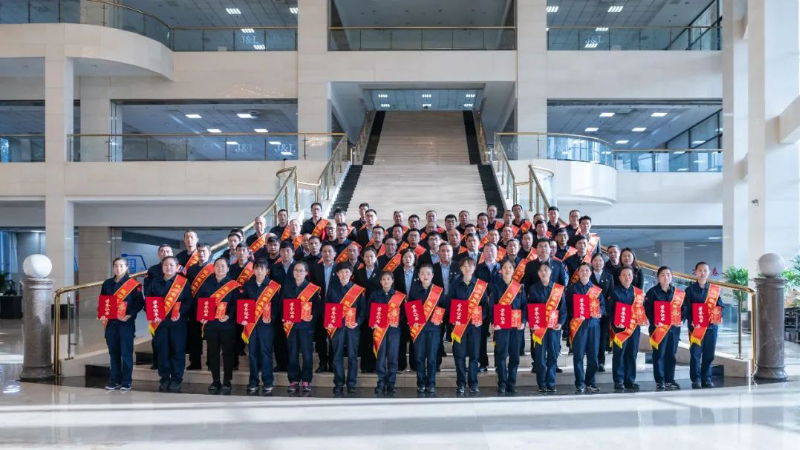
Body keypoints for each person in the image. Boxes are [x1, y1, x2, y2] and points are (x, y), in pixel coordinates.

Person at [145, 256, 192, 393]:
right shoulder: (154, 282)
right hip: (160, 324)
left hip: (178, 324)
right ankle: (164, 378)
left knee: (177, 351)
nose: (168, 267)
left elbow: (188, 301)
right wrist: (151, 314)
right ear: (162, 267)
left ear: (177, 267)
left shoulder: (183, 283)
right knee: (163, 352)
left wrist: (180, 312)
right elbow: (148, 300)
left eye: (171, 265)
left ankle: (176, 379)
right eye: (166, 265)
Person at [195, 257, 240, 395]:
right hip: (211, 325)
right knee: (213, 352)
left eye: (223, 266)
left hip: (227, 325)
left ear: (228, 268)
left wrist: (229, 316)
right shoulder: (206, 284)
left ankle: (227, 380)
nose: (220, 268)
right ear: (213, 268)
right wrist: (202, 316)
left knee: (227, 353)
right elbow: (200, 302)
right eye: (217, 266)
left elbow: (236, 304)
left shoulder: (233, 285)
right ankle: (215, 380)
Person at [99, 258, 144, 391]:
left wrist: (129, 315)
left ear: (126, 267)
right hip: (110, 323)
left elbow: (139, 303)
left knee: (126, 353)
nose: (118, 269)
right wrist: (101, 313)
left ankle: (126, 382)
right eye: (116, 266)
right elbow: (103, 300)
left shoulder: (134, 284)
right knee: (113, 353)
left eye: (121, 266)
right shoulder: (107, 283)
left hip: (126, 323)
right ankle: (114, 380)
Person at [446, 257, 488, 395]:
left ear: (474, 268)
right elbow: (449, 303)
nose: (467, 268)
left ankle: (473, 383)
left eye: (470, 266)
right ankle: (461, 384)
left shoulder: (480, 285)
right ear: (460, 268)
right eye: (464, 266)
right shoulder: (455, 284)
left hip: (475, 326)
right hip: (459, 326)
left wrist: (481, 318)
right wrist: (453, 319)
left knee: (474, 356)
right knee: (460, 356)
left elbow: (485, 306)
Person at [240, 259, 282, 396]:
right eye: (256, 268)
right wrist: (243, 318)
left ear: (267, 271)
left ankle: (268, 381)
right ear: (253, 270)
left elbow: (276, 306)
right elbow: (243, 303)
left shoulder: (273, 286)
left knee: (265, 353)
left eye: (262, 268)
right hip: (251, 325)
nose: (259, 271)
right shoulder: (248, 285)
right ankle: (253, 381)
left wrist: (271, 317)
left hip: (266, 326)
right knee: (252, 353)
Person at [325, 262, 367, 394]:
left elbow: (363, 310)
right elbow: (326, 308)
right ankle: (338, 382)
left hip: (352, 329)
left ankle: (351, 383)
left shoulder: (358, 290)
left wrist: (357, 322)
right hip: (336, 328)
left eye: (347, 272)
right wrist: (329, 322)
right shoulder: (332, 290)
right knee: (337, 356)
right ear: (337, 274)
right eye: (341, 272)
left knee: (352, 356)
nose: (344, 274)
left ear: (351, 274)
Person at [282, 261, 322, 394]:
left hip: (306, 326)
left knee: (307, 354)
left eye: (301, 270)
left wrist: (312, 315)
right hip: (291, 326)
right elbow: (281, 305)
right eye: (296, 270)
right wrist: (283, 316)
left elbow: (318, 306)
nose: (298, 273)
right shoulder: (287, 287)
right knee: (292, 353)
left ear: (306, 273)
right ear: (293, 272)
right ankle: (293, 380)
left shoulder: (312, 289)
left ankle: (306, 380)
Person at [407, 264, 447, 394]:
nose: (425, 276)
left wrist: (440, 318)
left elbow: (444, 308)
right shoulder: (414, 290)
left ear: (432, 275)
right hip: (419, 330)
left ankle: (431, 383)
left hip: (433, 329)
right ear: (418, 275)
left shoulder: (438, 291)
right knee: (419, 357)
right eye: (422, 273)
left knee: (432, 358)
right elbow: (410, 307)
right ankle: (421, 383)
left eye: (428, 273)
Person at [566, 263, 604, 393]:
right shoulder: (572, 289)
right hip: (578, 326)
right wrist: (575, 314)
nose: (584, 272)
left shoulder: (596, 290)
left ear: (591, 272)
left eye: (587, 270)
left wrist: (599, 312)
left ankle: (590, 382)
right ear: (578, 272)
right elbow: (568, 306)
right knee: (578, 356)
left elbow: (602, 306)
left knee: (593, 356)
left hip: (593, 325)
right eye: (581, 270)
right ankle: (580, 383)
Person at [645, 266, 685, 391]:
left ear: (672, 277)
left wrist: (682, 320)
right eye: (662, 275)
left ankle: (670, 380)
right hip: (658, 329)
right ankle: (660, 381)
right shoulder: (652, 292)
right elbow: (647, 309)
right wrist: (654, 321)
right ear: (658, 277)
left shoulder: (677, 293)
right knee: (659, 354)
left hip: (673, 329)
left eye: (668, 274)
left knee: (671, 354)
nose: (665, 277)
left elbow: (684, 308)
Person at [608, 265, 647, 392]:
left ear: (633, 277)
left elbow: (641, 310)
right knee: (619, 354)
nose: (626, 277)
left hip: (634, 329)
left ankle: (630, 380)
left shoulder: (638, 293)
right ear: (619, 277)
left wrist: (643, 319)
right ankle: (618, 380)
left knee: (632, 354)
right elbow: (610, 310)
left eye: (629, 275)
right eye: (624, 275)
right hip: (619, 329)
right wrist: (615, 322)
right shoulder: (614, 292)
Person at [527, 263, 566, 393]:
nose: (543, 272)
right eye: (541, 270)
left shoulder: (558, 289)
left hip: (554, 328)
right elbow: (530, 308)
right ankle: (542, 383)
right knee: (540, 356)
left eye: (546, 270)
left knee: (553, 355)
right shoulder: (533, 289)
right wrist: (532, 324)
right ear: (538, 274)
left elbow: (563, 309)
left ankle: (551, 382)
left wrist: (561, 323)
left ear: (550, 272)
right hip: (539, 328)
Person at [686, 261, 723, 389]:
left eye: (705, 271)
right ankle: (695, 379)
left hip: (711, 327)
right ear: (695, 272)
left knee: (709, 354)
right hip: (696, 327)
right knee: (695, 354)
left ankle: (706, 378)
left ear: (709, 273)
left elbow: (720, 305)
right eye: (700, 270)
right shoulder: (690, 290)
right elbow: (686, 308)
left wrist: (719, 316)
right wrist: (691, 319)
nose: (702, 273)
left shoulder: (714, 290)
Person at [491, 258, 526, 394]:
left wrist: (523, 321)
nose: (507, 270)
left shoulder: (519, 287)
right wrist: (494, 322)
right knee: (501, 355)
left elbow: (524, 306)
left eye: (510, 267)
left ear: (514, 270)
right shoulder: (495, 286)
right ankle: (502, 382)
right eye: (505, 267)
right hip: (501, 327)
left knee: (515, 356)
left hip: (516, 327)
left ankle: (511, 383)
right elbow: (492, 306)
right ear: (501, 270)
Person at [370, 271, 404, 394]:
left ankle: (391, 383)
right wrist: (373, 322)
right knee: (380, 357)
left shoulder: (399, 296)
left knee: (393, 357)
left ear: (392, 281)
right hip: (379, 330)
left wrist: (397, 321)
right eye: (383, 279)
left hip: (394, 331)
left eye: (388, 279)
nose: (386, 281)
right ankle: (380, 382)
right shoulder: (374, 295)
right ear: (380, 281)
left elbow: (403, 314)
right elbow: (370, 310)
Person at [144, 244, 173, 370]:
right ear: (158, 254)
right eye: (162, 251)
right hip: (155, 309)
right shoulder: (152, 270)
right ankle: (156, 361)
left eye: (168, 251)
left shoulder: (178, 268)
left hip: (173, 310)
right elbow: (147, 290)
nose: (165, 253)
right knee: (156, 337)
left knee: (172, 339)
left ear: (172, 253)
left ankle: (171, 362)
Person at [310, 244, 337, 373]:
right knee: (320, 337)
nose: (327, 254)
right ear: (321, 254)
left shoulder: (340, 268)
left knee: (333, 337)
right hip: (319, 306)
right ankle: (322, 363)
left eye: (329, 251)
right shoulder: (316, 268)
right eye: (324, 251)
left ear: (335, 254)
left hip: (334, 308)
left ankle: (332, 363)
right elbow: (312, 288)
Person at [186, 243, 212, 371]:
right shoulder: (191, 269)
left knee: (210, 335)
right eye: (199, 251)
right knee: (194, 335)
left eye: (204, 251)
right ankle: (195, 362)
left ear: (209, 253)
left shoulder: (213, 268)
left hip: (208, 305)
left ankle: (210, 362)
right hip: (194, 306)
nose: (201, 254)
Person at [355, 247, 381, 374]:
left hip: (376, 310)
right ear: (363, 258)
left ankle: (376, 365)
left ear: (375, 258)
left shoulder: (381, 273)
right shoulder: (358, 273)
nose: (369, 259)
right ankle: (365, 365)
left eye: (371, 256)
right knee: (364, 338)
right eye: (366, 256)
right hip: (362, 308)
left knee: (376, 337)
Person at [394, 249, 418, 372]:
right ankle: (401, 365)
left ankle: (414, 365)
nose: (408, 259)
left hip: (415, 308)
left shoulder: (419, 272)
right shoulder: (396, 272)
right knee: (401, 338)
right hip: (400, 308)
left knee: (414, 337)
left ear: (414, 259)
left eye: (410, 257)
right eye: (405, 257)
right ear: (401, 259)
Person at [590, 253, 615, 371]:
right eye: (595, 260)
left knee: (602, 337)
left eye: (600, 260)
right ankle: (592, 361)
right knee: (592, 338)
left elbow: (611, 295)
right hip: (590, 313)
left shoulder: (609, 276)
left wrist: (604, 310)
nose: (598, 263)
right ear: (591, 262)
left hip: (604, 313)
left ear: (604, 263)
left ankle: (600, 362)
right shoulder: (588, 275)